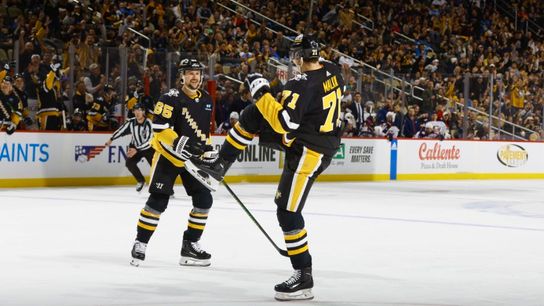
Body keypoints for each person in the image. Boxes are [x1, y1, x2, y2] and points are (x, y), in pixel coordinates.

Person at [185, 35, 345, 301]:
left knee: (287, 213)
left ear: (301, 57)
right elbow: (305, 99)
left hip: (309, 150)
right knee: (254, 113)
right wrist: (270, 98)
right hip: (311, 136)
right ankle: (220, 164)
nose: (293, 60)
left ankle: (304, 275)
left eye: (295, 55)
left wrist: (261, 92)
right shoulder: (333, 70)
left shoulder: (301, 84)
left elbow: (285, 124)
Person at [130, 58, 215, 268]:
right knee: (158, 201)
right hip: (168, 156)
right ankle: (140, 243)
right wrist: (183, 143)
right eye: (190, 73)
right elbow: (160, 129)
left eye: (197, 72)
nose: (194, 76)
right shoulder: (169, 98)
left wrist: (208, 150)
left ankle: (190, 246)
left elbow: (204, 132)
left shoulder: (206, 99)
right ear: (182, 76)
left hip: (191, 160)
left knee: (204, 200)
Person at [105, 103, 154, 192]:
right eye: (135, 110)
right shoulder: (131, 122)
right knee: (129, 163)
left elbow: (149, 141)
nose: (137, 112)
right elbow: (121, 130)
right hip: (135, 147)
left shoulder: (148, 123)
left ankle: (166, 189)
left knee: (155, 168)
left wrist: (137, 149)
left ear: (143, 111)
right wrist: (111, 139)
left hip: (148, 149)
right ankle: (141, 181)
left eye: (139, 110)